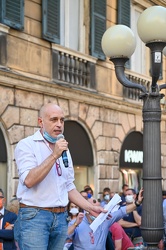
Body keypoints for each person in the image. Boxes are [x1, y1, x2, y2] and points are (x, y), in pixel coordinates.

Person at [14, 103, 106, 250]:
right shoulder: (27, 145)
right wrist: (54, 155)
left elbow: (69, 186)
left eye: (62, 120)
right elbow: (29, 180)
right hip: (35, 217)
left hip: (61, 217)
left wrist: (91, 208)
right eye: (54, 119)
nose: (59, 125)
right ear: (40, 122)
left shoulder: (64, 149)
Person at [67, 189, 143, 250]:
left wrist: (137, 202)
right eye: (94, 208)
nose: (98, 210)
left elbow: (122, 211)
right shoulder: (77, 222)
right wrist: (75, 224)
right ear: (87, 209)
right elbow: (65, 236)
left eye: (99, 208)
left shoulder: (105, 220)